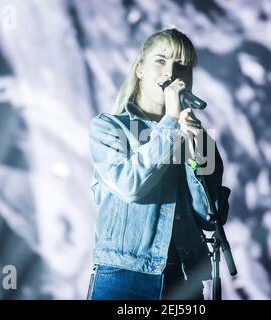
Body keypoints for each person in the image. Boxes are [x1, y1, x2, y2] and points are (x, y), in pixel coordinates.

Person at [87, 28, 230, 300]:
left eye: (181, 66)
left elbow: (210, 217)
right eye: (160, 60)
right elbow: (130, 185)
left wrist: (195, 150)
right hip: (123, 277)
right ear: (140, 70)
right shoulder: (108, 127)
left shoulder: (200, 139)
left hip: (183, 281)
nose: (171, 72)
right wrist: (170, 125)